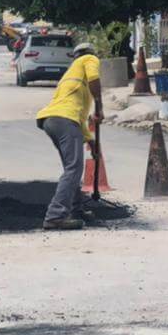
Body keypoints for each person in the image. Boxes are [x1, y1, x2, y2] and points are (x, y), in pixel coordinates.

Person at [36, 42, 103, 231]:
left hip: (52, 120)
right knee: (74, 169)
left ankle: (76, 210)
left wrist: (90, 141)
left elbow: (78, 118)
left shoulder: (70, 75)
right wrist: (100, 106)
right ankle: (55, 216)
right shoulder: (89, 59)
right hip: (64, 120)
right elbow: (94, 77)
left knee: (71, 168)